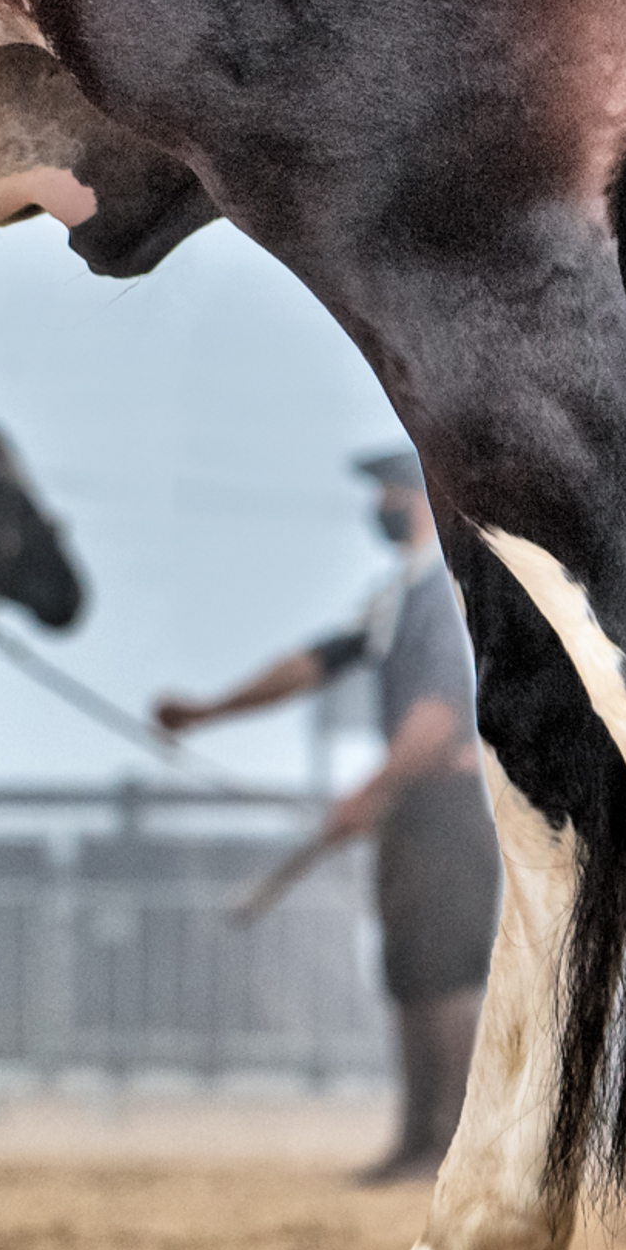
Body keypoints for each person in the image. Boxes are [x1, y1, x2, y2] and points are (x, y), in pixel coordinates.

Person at [155, 448, 498, 1183]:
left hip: (447, 801)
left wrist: (370, 790)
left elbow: (439, 715)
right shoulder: (397, 596)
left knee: (445, 973)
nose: (380, 505)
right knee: (411, 970)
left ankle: (450, 1147)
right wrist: (209, 712)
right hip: (412, 806)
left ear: (423, 496)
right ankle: (417, 1140)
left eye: (389, 491)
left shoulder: (444, 592)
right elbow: (311, 663)